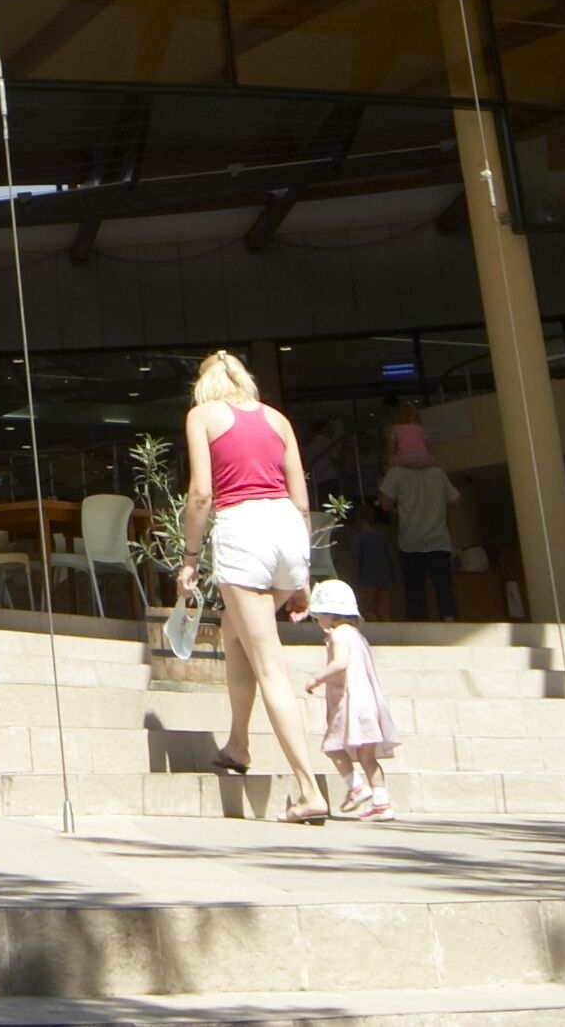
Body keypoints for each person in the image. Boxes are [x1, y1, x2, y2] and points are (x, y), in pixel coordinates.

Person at [173, 350, 332, 823]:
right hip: (286, 528)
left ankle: (309, 790)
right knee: (234, 631)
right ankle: (238, 743)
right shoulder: (278, 420)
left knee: (270, 665)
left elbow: (202, 493)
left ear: (204, 385)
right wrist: (302, 573)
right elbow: (301, 500)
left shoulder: (201, 416)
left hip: (244, 529)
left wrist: (189, 558)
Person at [302, 578, 401, 819]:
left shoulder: (339, 635)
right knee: (368, 758)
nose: (318, 621)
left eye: (319, 616)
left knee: (333, 748)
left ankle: (356, 787)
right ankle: (381, 801)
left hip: (350, 703)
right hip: (369, 704)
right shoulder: (358, 635)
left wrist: (317, 678)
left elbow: (341, 663)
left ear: (330, 614)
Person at [375, 432, 462, 623]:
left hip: (410, 541)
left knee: (415, 591)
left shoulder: (397, 473)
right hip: (439, 540)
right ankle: (449, 622)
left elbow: (385, 504)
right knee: (444, 588)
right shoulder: (438, 473)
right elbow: (456, 498)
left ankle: (417, 630)